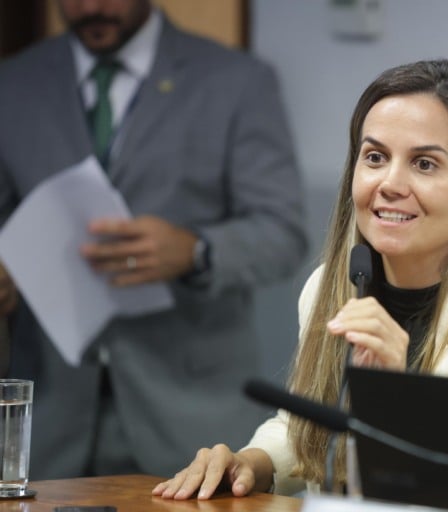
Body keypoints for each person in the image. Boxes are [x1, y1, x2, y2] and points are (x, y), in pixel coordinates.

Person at [153, 58, 448, 500]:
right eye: (375, 157)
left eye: (424, 164)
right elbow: (307, 425)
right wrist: (253, 463)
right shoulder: (331, 286)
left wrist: (397, 401)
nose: (390, 183)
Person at [0, 0, 307, 478]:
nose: (91, 7)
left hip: (190, 416)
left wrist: (197, 251)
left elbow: (283, 232)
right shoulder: (14, 82)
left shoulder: (237, 82)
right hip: (50, 418)